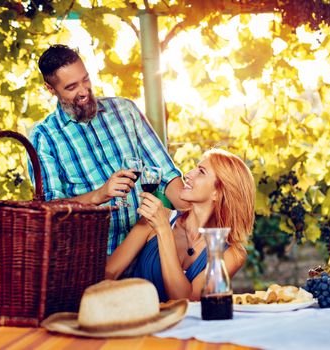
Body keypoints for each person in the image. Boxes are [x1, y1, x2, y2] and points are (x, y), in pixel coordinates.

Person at [29, 44, 186, 254]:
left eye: (85, 79)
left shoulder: (125, 111)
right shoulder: (44, 138)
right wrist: (99, 194)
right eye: (71, 87)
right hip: (93, 258)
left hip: (149, 244)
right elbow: (51, 209)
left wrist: (195, 221)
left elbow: (167, 175)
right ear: (50, 88)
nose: (84, 91)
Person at [105, 149, 255, 302]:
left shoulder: (233, 254)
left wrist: (164, 230)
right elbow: (109, 272)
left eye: (201, 172)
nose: (188, 174)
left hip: (183, 325)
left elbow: (187, 301)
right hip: (136, 321)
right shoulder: (155, 218)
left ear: (217, 192)